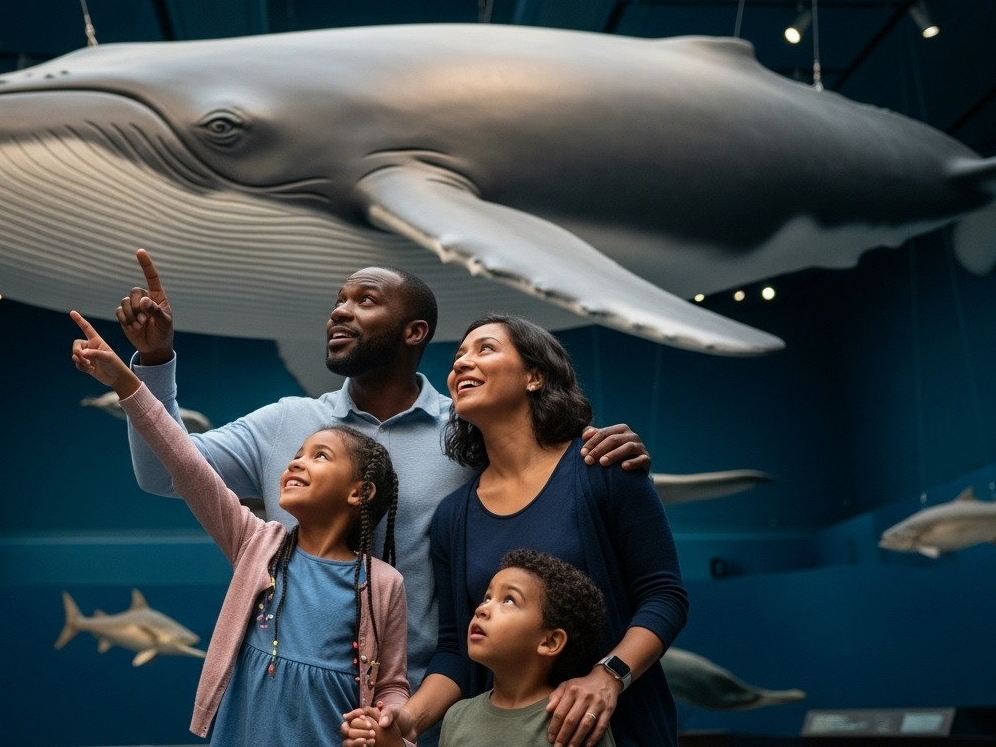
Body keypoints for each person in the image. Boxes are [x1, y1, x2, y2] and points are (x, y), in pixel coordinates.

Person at [116, 249, 651, 720]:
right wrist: (156, 362)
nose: (340, 310)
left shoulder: (470, 431)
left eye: (365, 300)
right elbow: (166, 472)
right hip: (283, 703)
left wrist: (605, 445)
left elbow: (545, 469)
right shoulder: (285, 421)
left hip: (427, 709)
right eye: (339, 300)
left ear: (413, 331)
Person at [70, 310, 410, 745]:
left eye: (320, 456)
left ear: (359, 492)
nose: (297, 462)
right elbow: (188, 464)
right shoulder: (257, 544)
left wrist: (386, 721)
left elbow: (393, 685)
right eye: (298, 454)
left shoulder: (383, 583)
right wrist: (127, 384)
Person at [347, 314, 687, 747]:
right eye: (458, 357)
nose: (461, 365)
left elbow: (664, 596)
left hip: (622, 727)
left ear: (534, 376)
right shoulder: (454, 515)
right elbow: (455, 650)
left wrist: (609, 677)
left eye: (485, 349)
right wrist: (405, 723)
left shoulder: (604, 467)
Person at [357, 549, 615, 747]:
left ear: (550, 642)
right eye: (487, 597)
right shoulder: (458, 717)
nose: (482, 608)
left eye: (509, 600)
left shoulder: (574, 719)